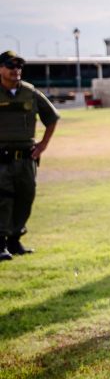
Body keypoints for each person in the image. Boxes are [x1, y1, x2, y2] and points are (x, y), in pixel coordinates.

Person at [0, 50, 60, 260]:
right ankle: (1, 243)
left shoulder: (30, 93)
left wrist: (43, 144)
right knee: (3, 199)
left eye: (19, 66)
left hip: (26, 158)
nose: (16, 70)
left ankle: (15, 240)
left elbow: (52, 117)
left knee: (26, 197)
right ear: (1, 69)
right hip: (2, 158)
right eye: (10, 66)